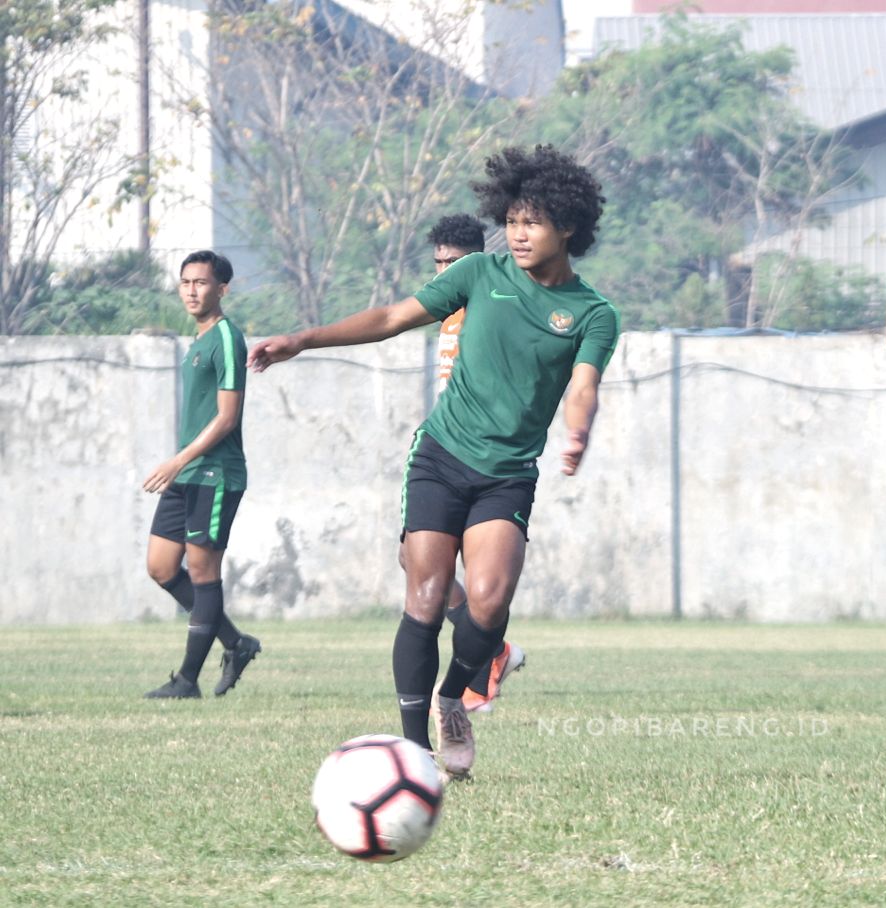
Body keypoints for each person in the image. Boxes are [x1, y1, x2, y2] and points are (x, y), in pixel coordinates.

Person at [249, 145, 619, 780]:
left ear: (569, 228)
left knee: (489, 603)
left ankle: (454, 699)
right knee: (423, 598)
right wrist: (303, 339)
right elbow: (393, 317)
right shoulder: (479, 273)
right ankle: (414, 752)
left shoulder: (593, 314)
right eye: (512, 219)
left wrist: (578, 432)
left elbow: (583, 386)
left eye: (533, 221)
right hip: (442, 458)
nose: (518, 232)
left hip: (506, 474)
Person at [420, 213, 527, 714]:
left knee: (477, 581)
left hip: (488, 461)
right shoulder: (447, 310)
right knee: (420, 569)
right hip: (443, 448)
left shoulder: (491, 307)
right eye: (437, 262)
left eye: (453, 263)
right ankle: (495, 650)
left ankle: (483, 660)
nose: (443, 272)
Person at [143, 250, 261, 699]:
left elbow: (227, 418)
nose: (192, 290)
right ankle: (235, 642)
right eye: (185, 282)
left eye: (202, 283)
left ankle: (187, 680)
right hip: (187, 472)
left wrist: (177, 460)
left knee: (201, 570)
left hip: (215, 473)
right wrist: (179, 465)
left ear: (222, 289)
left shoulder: (228, 339)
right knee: (159, 566)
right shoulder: (198, 341)